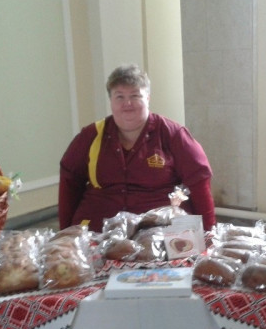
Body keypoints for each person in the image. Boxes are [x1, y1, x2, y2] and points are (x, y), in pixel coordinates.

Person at [59, 64, 216, 232]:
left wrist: (209, 233)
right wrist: (64, 233)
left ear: (147, 98)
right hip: (97, 230)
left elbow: (199, 182)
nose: (127, 103)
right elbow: (69, 182)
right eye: (119, 96)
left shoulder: (173, 134)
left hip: (159, 230)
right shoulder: (91, 135)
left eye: (135, 96)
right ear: (111, 101)